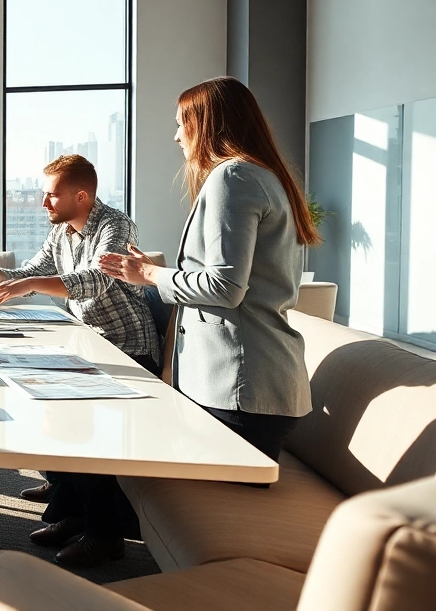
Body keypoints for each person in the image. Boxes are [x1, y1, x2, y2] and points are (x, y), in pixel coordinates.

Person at [0, 154, 159, 568]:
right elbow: (31, 272)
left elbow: (93, 282)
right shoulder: (63, 231)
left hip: (127, 349)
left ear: (80, 196)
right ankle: (73, 512)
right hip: (90, 344)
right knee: (45, 401)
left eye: (50, 195)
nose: (42, 203)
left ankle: (104, 536)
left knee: (79, 425)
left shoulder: (115, 226)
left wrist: (25, 283)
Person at [99, 76, 315, 464]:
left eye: (182, 123)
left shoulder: (233, 177)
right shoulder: (263, 176)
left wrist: (148, 276)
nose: (177, 136)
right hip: (253, 388)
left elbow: (226, 287)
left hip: (242, 388)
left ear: (207, 125)